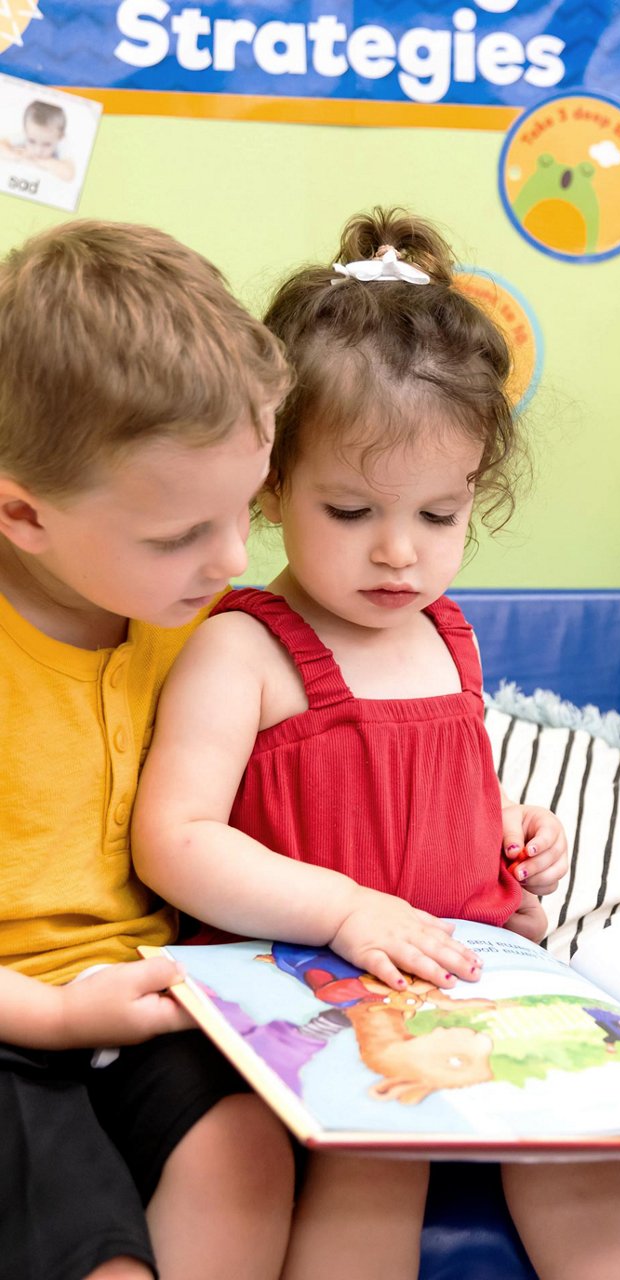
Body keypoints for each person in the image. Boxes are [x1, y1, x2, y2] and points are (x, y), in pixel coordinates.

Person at [133, 207, 620, 1280]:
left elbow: (434, 798)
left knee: (588, 1133)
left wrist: (509, 840)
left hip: (462, 971)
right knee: (378, 1159)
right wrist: (344, 909)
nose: (397, 552)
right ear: (270, 483)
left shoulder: (445, 635)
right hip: (313, 983)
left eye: (439, 514)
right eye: (350, 506)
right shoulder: (243, 646)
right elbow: (174, 839)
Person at [0, 220, 299, 1280]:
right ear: (22, 512)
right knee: (97, 1250)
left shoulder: (201, 619)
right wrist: (51, 1010)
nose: (230, 561)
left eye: (245, 513)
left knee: (249, 1150)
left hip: (156, 995)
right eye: (179, 536)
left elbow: (328, 761)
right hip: (10, 1016)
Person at [0, 99, 76, 181]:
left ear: (60, 137)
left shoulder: (61, 142)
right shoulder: (29, 132)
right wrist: (18, 156)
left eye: (47, 144)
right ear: (25, 131)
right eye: (32, 141)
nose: (38, 151)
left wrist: (37, 161)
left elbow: (69, 174)